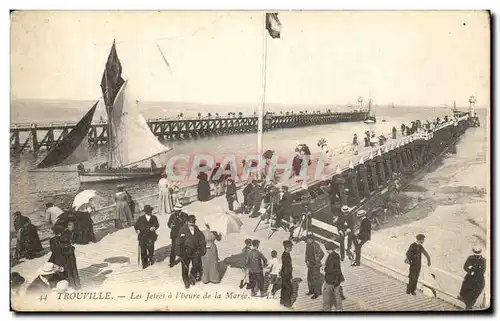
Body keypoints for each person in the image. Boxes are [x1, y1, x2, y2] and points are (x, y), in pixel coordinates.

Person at [175, 215, 206, 288]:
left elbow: (201, 237)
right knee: (185, 267)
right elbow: (178, 242)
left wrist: (201, 248)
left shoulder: (196, 228)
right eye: (191, 222)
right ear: (187, 222)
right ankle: (185, 280)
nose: (193, 224)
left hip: (195, 251)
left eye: (194, 222)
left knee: (195, 265)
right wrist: (178, 253)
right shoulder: (182, 230)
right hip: (185, 252)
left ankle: (192, 277)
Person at [48, 224, 81, 290]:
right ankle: (76, 286)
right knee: (72, 271)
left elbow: (54, 250)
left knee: (65, 273)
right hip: (69, 258)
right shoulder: (66, 237)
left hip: (61, 259)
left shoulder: (53, 240)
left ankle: (69, 287)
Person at [134, 205, 159, 269]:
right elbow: (136, 226)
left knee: (151, 248)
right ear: (145, 212)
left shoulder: (154, 217)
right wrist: (137, 230)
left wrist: (154, 227)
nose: (149, 212)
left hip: (151, 235)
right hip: (142, 236)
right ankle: (144, 263)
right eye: (147, 212)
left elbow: (157, 224)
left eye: (150, 211)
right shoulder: (141, 218)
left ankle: (150, 258)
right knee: (143, 250)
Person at [323, 242, 344, 311]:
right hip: (338, 279)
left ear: (328, 250)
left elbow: (330, 269)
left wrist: (325, 269)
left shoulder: (330, 257)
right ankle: (339, 309)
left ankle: (326, 309)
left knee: (326, 294)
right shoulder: (336, 255)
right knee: (337, 294)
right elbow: (337, 268)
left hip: (330, 279)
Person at [305, 234, 324, 299]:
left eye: (309, 239)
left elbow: (322, 253)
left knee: (316, 279)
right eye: (307, 239)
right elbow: (306, 254)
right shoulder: (307, 245)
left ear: (312, 240)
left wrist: (317, 259)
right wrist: (306, 260)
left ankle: (316, 293)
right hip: (310, 264)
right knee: (309, 278)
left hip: (315, 264)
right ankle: (311, 290)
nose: (308, 240)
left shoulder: (316, 245)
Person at [280, 240, 294, 308]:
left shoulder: (285, 254)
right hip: (286, 275)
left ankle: (282, 302)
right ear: (287, 247)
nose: (291, 248)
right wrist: (290, 277)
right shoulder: (286, 255)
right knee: (289, 289)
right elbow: (287, 268)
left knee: (284, 288)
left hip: (284, 274)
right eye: (291, 246)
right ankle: (288, 305)